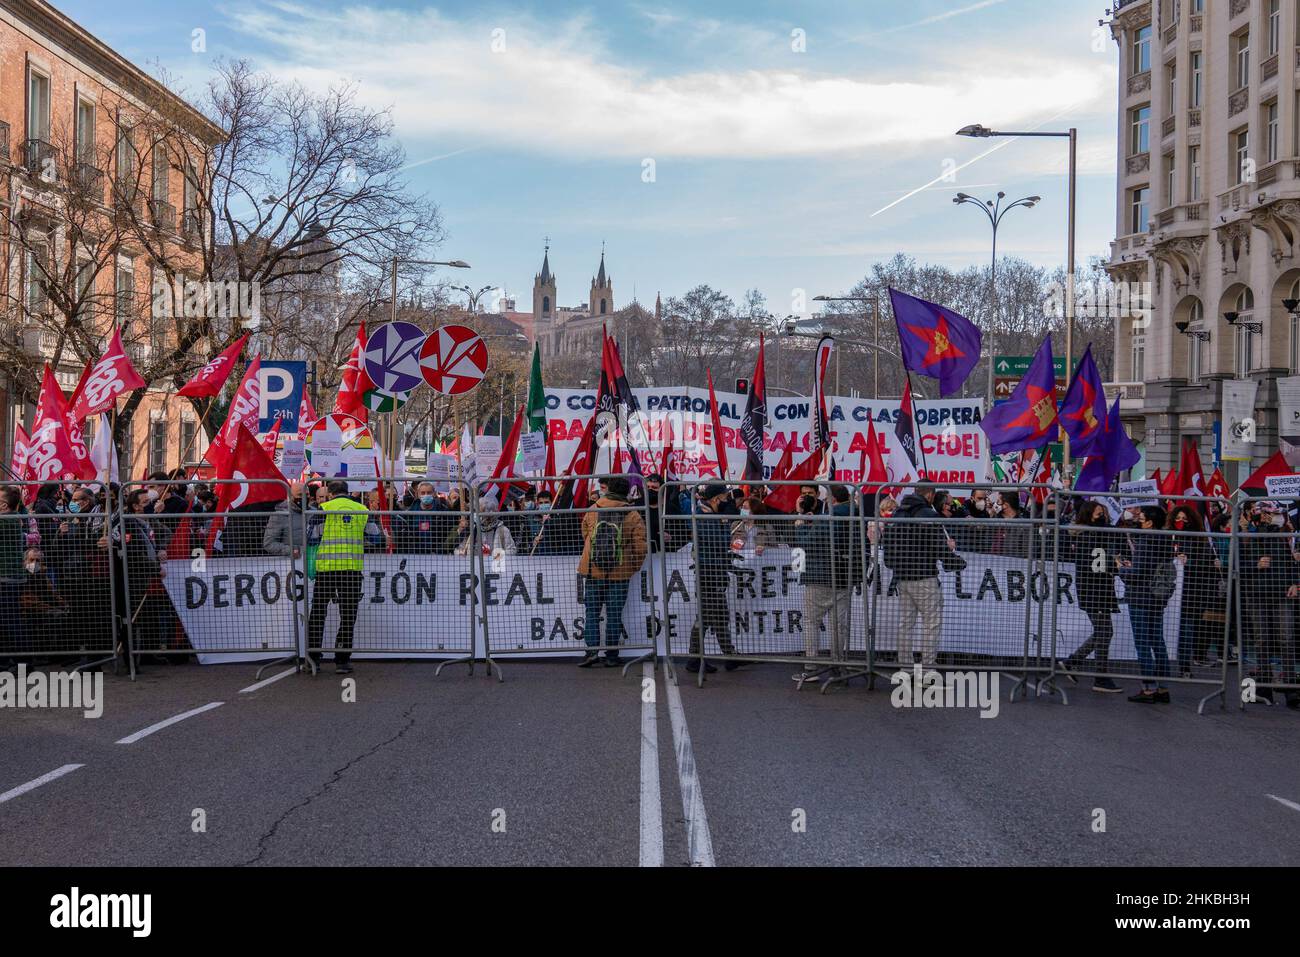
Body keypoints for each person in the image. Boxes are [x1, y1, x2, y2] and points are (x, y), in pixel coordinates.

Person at [792, 485, 863, 684]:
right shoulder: (858, 516)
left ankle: (811, 666)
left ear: (832, 499)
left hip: (820, 576)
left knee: (811, 622)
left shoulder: (829, 518)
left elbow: (807, 543)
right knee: (839, 625)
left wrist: (800, 523)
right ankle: (837, 665)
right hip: (845, 577)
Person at [576, 476, 647, 667]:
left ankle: (591, 652)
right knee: (614, 614)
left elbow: (585, 534)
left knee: (592, 612)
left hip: (593, 570)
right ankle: (611, 655)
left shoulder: (593, 509)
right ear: (626, 492)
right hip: (620, 572)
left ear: (608, 490)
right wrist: (633, 567)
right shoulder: (632, 514)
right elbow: (640, 546)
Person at [881, 483, 950, 668]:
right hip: (924, 575)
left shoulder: (898, 513)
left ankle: (906, 667)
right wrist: (954, 561)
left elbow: (887, 543)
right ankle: (928, 669)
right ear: (930, 495)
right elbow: (939, 545)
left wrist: (894, 565)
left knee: (905, 625)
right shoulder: (928, 514)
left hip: (902, 576)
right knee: (931, 625)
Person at [1059, 500, 1122, 693]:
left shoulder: (1096, 533)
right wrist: (1115, 566)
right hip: (1095, 590)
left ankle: (1073, 662)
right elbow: (1097, 563)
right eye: (1097, 514)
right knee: (1104, 631)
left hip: (1098, 588)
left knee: (1104, 631)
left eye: (1102, 513)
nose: (1102, 516)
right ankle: (1100, 677)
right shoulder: (1091, 534)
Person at [305, 480, 366, 674]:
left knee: (318, 614)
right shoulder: (362, 509)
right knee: (348, 615)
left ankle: (313, 658)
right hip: (352, 570)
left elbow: (311, 537)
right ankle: (342, 660)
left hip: (327, 570)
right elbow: (376, 536)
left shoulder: (323, 508)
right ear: (347, 492)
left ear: (330, 493)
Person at [1117, 505, 1176, 704]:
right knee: (1157, 641)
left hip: (1141, 598)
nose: (1138, 520)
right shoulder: (1165, 541)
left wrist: (1122, 569)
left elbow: (1138, 573)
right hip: (1157, 599)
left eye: (1141, 518)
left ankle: (1148, 688)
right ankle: (1163, 687)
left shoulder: (1145, 541)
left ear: (1150, 522)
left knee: (1143, 643)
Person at [1242, 503, 1297, 706]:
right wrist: (1255, 565)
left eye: (1276, 513)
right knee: (1262, 639)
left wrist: (1296, 582)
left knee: (1286, 637)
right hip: (1257, 594)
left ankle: (1291, 687)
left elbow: (1294, 561)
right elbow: (1235, 564)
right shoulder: (1248, 536)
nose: (1273, 517)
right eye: (1269, 514)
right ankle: (1264, 686)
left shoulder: (1289, 536)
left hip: (1282, 593)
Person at [684, 483, 743, 673]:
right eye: (725, 498)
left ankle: (729, 655)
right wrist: (725, 523)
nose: (727, 502)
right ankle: (694, 659)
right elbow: (720, 541)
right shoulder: (705, 516)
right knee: (707, 616)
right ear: (716, 499)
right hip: (708, 572)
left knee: (719, 615)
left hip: (714, 570)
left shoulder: (708, 514)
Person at [1167, 503, 1222, 678]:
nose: (1181, 522)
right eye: (1177, 519)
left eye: (1184, 519)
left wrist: (1189, 562)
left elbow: (1206, 565)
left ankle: (1184, 667)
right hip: (1169, 593)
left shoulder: (1201, 539)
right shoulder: (1167, 537)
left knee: (1187, 630)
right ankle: (1163, 666)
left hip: (1191, 593)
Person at [263, 481, 306, 558]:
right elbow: (269, 544)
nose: (304, 497)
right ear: (291, 496)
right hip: (291, 562)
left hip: (314, 561)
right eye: (300, 494)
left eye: (307, 494)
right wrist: (292, 550)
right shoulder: (280, 515)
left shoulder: (314, 512)